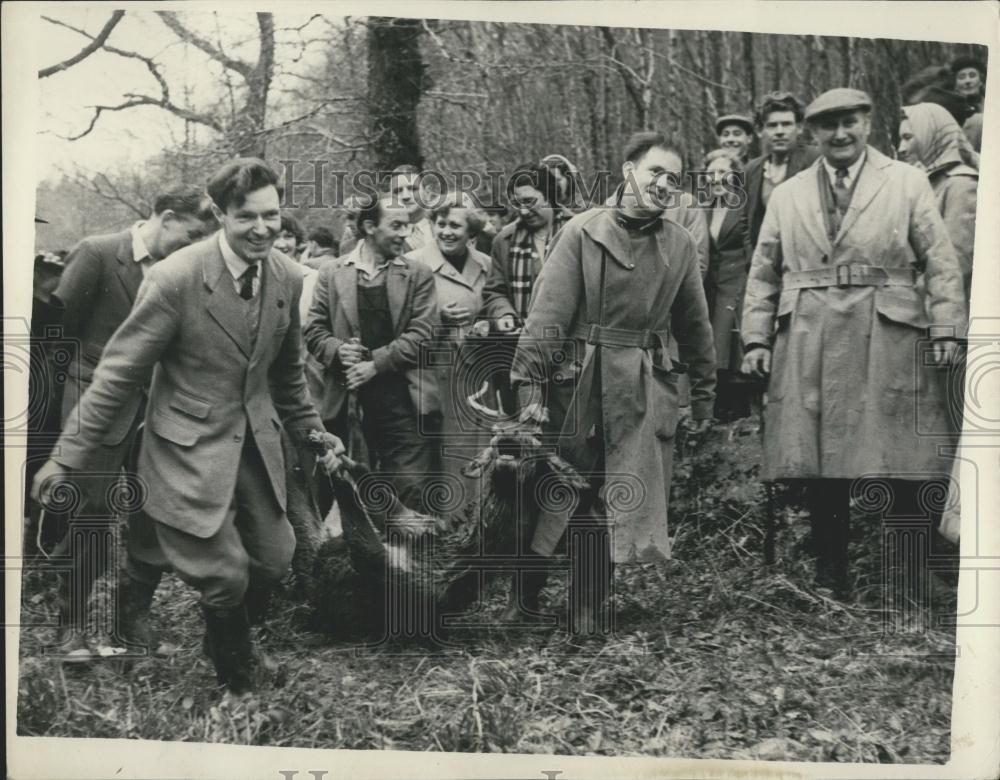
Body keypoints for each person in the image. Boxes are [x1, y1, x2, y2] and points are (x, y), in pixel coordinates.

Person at [33, 159, 344, 694]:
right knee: (223, 574)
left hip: (253, 443)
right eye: (247, 217)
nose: (263, 228)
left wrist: (314, 432)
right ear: (220, 214)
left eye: (272, 215)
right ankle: (237, 674)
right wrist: (66, 455)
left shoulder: (287, 279)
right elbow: (117, 372)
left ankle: (222, 637)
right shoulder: (175, 277)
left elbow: (288, 374)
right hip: (185, 442)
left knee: (275, 556)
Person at [741, 88, 967, 598]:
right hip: (809, 335)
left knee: (905, 454)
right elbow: (762, 271)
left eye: (850, 122)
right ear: (811, 133)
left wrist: (947, 327)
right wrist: (756, 339)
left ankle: (911, 573)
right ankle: (830, 576)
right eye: (828, 126)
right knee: (823, 460)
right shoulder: (788, 193)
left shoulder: (906, 181)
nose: (840, 134)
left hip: (888, 330)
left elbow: (941, 261)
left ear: (868, 123)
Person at [509, 130, 716, 632]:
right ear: (628, 172)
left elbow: (695, 326)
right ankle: (524, 601)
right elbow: (547, 318)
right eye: (654, 172)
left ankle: (586, 611)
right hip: (575, 385)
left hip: (641, 390)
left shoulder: (680, 244)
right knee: (556, 494)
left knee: (615, 500)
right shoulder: (581, 231)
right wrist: (529, 390)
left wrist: (704, 394)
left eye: (674, 178)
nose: (664, 184)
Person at [47, 189, 216, 660]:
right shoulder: (99, 252)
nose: (199, 244)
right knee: (92, 516)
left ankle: (130, 622)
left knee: (152, 518)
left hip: (159, 412)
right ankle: (70, 624)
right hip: (93, 405)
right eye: (194, 233)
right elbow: (57, 335)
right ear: (165, 218)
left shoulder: (189, 273)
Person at [304, 193, 439, 514]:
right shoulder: (332, 273)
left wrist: (375, 364)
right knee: (350, 495)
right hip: (346, 405)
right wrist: (339, 352)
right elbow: (314, 330)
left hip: (403, 405)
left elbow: (424, 334)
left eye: (408, 227)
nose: (405, 234)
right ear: (369, 226)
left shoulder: (418, 274)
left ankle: (413, 562)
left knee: (412, 493)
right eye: (396, 226)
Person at [404, 192, 492, 487]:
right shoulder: (411, 265)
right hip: (427, 379)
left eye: (455, 226)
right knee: (433, 466)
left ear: (471, 232)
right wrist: (438, 319)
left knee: (472, 461)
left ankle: (469, 528)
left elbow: (497, 307)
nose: (445, 232)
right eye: (440, 223)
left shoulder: (487, 265)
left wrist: (487, 325)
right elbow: (397, 327)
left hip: (475, 378)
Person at [898, 102, 979, 305]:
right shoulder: (921, 182)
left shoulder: (961, 186)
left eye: (908, 138)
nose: (901, 148)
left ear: (931, 135)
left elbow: (955, 266)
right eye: (900, 139)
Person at [702, 150, 753, 421]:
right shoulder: (707, 207)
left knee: (730, 341)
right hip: (714, 283)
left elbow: (749, 245)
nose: (716, 178)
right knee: (713, 342)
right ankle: (718, 404)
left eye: (723, 172)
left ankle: (739, 404)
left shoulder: (741, 205)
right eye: (711, 173)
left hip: (737, 279)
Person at [743, 91, 820, 259]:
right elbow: (745, 222)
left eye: (786, 124)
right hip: (765, 262)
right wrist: (753, 258)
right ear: (759, 131)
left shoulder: (815, 160)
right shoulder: (752, 169)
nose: (779, 131)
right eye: (772, 125)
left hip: (805, 261)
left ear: (799, 128)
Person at [387, 164, 435, 251]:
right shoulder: (387, 234)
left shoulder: (442, 224)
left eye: (412, 189)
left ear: (427, 193)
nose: (405, 196)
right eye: (398, 191)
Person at [951, 55, 986, 153]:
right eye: (962, 77)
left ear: (981, 81)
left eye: (972, 75)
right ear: (955, 85)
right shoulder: (951, 108)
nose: (968, 81)